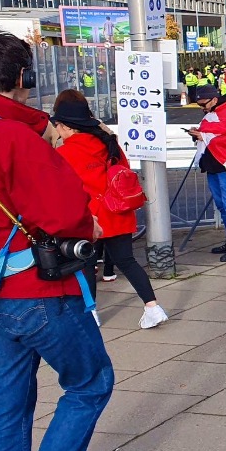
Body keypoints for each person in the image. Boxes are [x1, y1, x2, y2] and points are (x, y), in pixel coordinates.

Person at [0, 27, 113, 451]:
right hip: (34, 289)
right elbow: (67, 213)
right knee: (91, 382)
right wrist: (88, 223)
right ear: (19, 78)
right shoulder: (7, 135)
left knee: (3, 405)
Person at [51, 94, 168, 330]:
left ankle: (91, 312)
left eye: (58, 127)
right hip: (119, 213)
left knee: (86, 266)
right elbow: (122, 174)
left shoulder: (65, 153)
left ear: (67, 127)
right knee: (127, 261)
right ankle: (153, 307)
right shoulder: (109, 143)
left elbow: (64, 190)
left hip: (90, 218)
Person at [189, 85, 226, 262]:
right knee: (222, 205)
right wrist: (200, 135)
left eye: (203, 104)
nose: (202, 108)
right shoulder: (213, 113)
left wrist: (204, 136)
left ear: (214, 100)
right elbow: (216, 132)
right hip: (214, 164)